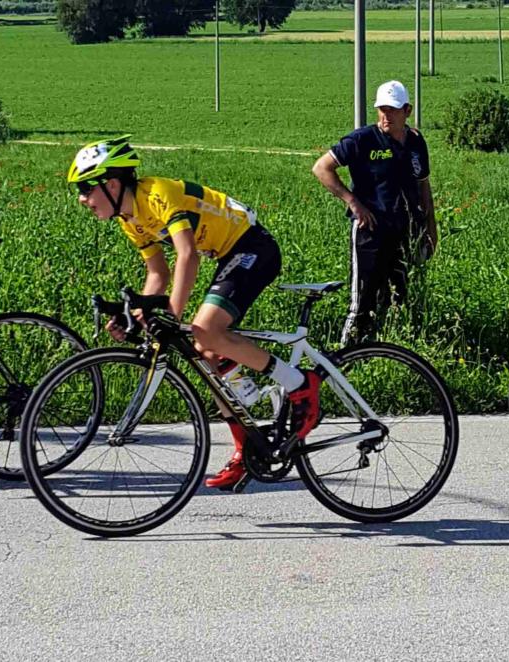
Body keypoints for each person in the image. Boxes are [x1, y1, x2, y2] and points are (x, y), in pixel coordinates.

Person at [66, 135, 321, 490]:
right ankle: (248, 447)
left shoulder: (157, 194)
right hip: (227, 254)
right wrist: (136, 314)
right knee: (206, 355)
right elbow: (158, 273)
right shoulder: (129, 219)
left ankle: (299, 383)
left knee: (205, 330)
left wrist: (171, 313)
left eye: (85, 188)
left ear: (111, 184)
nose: (82, 199)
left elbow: (187, 255)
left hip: (252, 246)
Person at [312, 80, 437, 345]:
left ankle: (389, 350)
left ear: (407, 110)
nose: (386, 115)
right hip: (370, 232)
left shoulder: (416, 141)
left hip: (405, 231)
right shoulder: (362, 139)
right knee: (363, 299)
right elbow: (321, 168)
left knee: (399, 297)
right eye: (382, 109)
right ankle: (347, 353)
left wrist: (430, 229)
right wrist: (353, 203)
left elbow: (423, 186)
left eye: (392, 109)